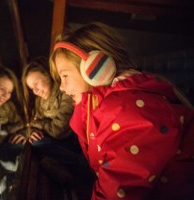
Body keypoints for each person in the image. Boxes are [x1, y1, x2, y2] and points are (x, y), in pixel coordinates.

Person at [49, 21, 194, 199]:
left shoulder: (128, 109)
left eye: (64, 76)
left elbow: (120, 188)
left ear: (94, 68)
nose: (62, 87)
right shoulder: (99, 106)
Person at [22, 56, 92, 188]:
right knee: (35, 142)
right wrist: (35, 132)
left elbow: (58, 130)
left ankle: (80, 166)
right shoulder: (39, 102)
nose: (35, 91)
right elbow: (34, 123)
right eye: (31, 88)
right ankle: (73, 168)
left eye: (36, 83)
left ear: (47, 75)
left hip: (72, 142)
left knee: (43, 151)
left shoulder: (65, 93)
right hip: (56, 143)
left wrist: (39, 123)